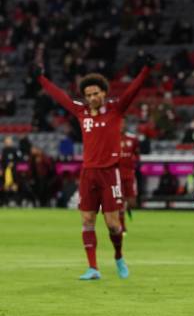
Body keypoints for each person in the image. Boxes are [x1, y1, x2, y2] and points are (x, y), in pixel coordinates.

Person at [36, 57, 152, 280]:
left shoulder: (116, 110)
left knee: (113, 225)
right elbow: (60, 96)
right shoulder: (82, 112)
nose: (91, 98)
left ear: (104, 93)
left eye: (95, 94)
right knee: (87, 220)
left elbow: (133, 90)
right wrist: (40, 78)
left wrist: (146, 70)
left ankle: (118, 256)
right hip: (88, 174)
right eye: (88, 95)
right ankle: (93, 268)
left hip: (110, 173)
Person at [119, 129, 140, 234]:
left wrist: (134, 160)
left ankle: (124, 210)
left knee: (132, 203)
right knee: (120, 201)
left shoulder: (132, 138)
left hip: (129, 174)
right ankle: (122, 226)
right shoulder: (111, 137)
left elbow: (137, 154)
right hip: (117, 175)